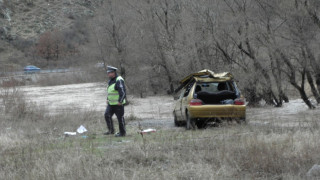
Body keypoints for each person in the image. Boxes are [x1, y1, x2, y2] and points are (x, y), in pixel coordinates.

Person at [104, 66, 126, 137]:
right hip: (111, 103)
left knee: (120, 118)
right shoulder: (110, 80)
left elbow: (122, 91)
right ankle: (111, 130)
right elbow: (110, 91)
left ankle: (122, 133)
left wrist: (120, 101)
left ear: (113, 73)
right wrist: (107, 98)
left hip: (118, 104)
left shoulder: (119, 80)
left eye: (109, 73)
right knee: (107, 115)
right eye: (108, 73)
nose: (108, 74)